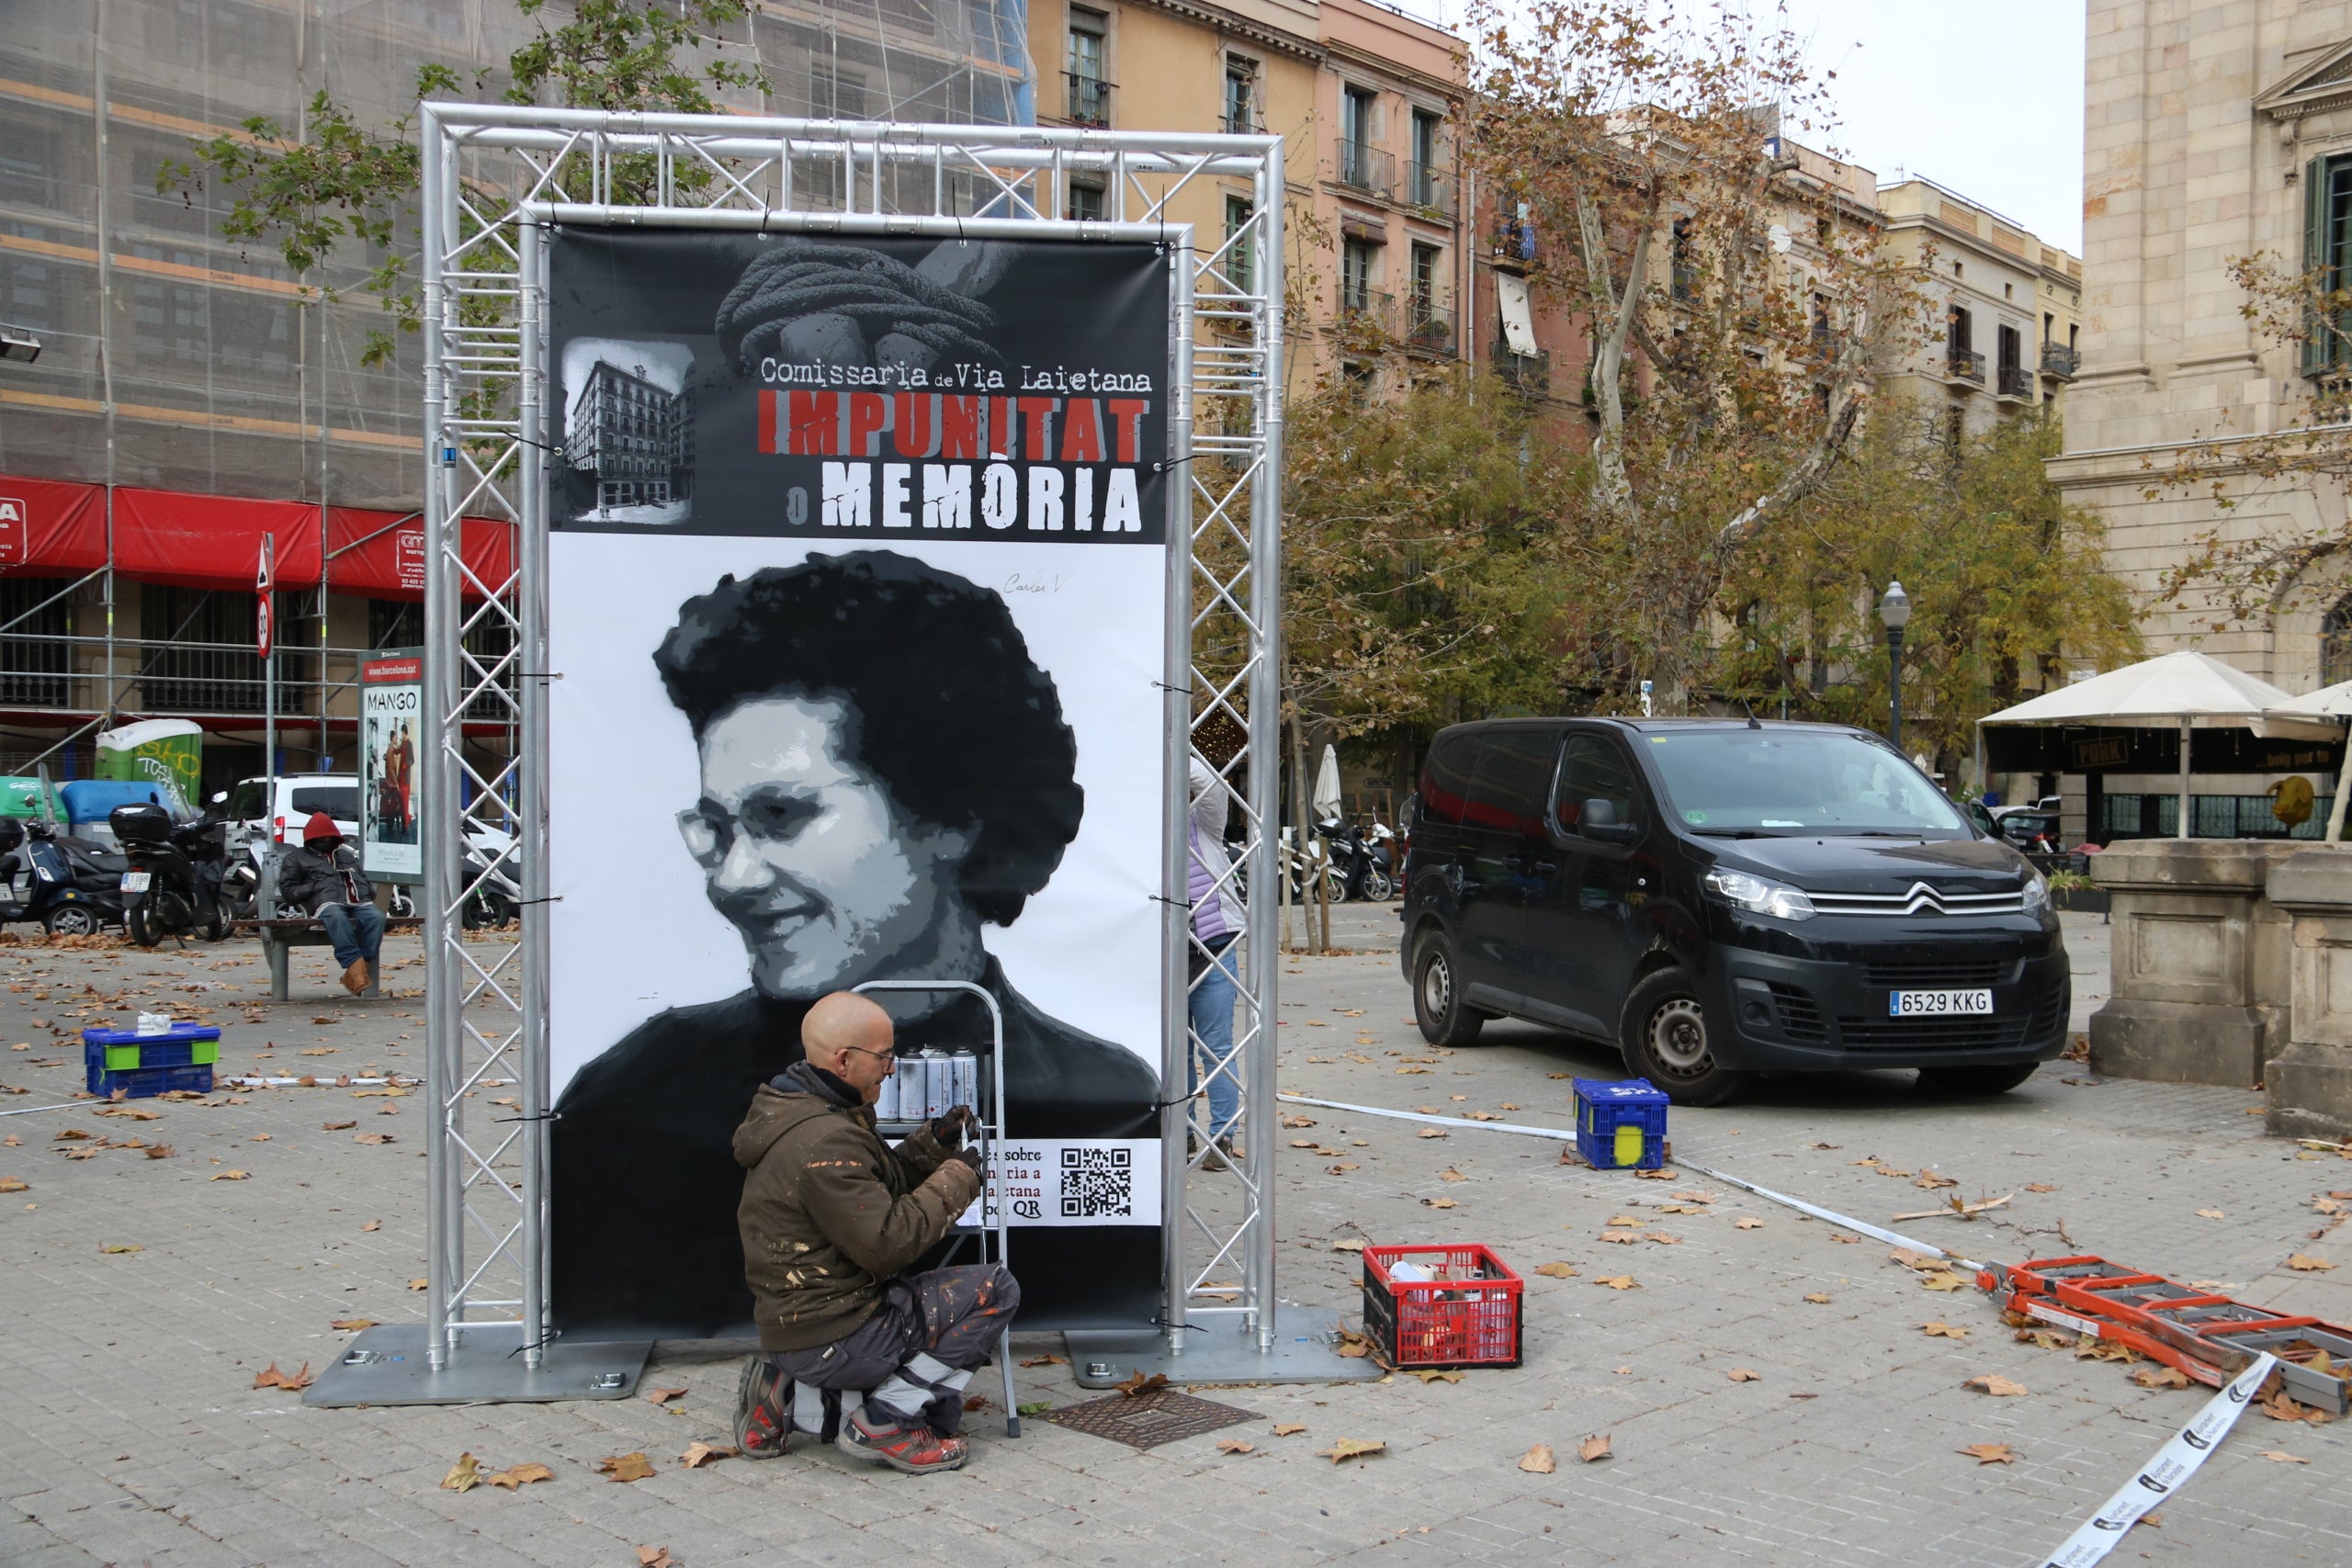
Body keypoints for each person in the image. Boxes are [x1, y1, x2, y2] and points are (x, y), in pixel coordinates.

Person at [553, 550, 1159, 1337]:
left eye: (781, 815)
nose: (732, 879)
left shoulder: (1104, 1095)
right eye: (716, 827)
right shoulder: (628, 1098)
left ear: (948, 815)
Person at [730, 991, 1015, 1474]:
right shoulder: (825, 1138)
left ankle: (784, 1393)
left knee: (942, 1412)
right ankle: (883, 1423)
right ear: (843, 1060)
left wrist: (933, 1147)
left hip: (801, 1327)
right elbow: (888, 1244)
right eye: (883, 1056)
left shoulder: (806, 1112)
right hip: (838, 1334)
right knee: (996, 1289)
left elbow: (869, 1192)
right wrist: (959, 1179)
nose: (890, 1068)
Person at [1185, 757, 1243, 1171]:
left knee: (1216, 1048)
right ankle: (1181, 1131)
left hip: (1214, 943)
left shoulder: (1204, 820)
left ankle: (1223, 1136)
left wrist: (1162, 750)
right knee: (1173, 1050)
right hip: (1165, 951)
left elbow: (1209, 782)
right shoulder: (1137, 834)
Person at [277, 811, 382, 995]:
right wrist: (315, 886)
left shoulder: (346, 856)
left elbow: (363, 880)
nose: (326, 840)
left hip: (357, 901)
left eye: (329, 836)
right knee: (337, 917)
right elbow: (289, 893)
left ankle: (355, 973)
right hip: (325, 903)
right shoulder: (296, 857)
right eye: (321, 837)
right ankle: (356, 970)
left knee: (377, 917)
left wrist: (365, 891)